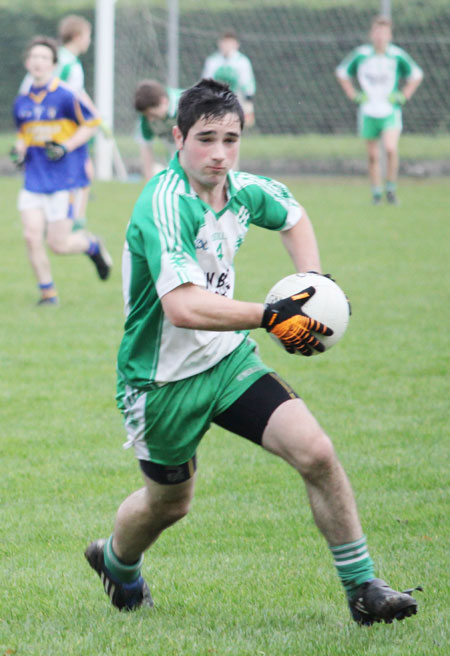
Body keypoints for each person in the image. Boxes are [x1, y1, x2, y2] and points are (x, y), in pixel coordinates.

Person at [84, 79, 420, 624]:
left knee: (316, 452)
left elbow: (293, 215)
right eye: (206, 138)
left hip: (228, 361)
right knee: (170, 504)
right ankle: (118, 563)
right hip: (160, 381)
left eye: (230, 139)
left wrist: (312, 283)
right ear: (178, 137)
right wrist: (275, 314)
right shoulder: (164, 203)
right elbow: (184, 307)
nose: (219, 154)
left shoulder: (240, 190)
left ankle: (364, 589)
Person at [12, 36, 112, 306]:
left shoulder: (68, 95)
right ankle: (48, 294)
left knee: (58, 244)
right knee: (31, 235)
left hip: (65, 179)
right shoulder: (22, 101)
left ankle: (92, 246)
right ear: (27, 63)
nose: (38, 62)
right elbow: (24, 133)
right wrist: (18, 151)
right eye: (34, 57)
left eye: (44, 58)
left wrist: (66, 147)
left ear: (53, 64)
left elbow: (92, 123)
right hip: (34, 179)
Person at [19, 15, 99, 228]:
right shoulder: (70, 63)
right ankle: (74, 219)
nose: (89, 41)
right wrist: (93, 117)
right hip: (61, 126)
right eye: (88, 36)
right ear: (78, 36)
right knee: (82, 168)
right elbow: (71, 96)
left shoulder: (52, 57)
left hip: (41, 122)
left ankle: (58, 217)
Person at [335, 15, 423, 205]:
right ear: (371, 33)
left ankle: (390, 189)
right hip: (368, 111)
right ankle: (376, 192)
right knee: (373, 155)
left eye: (384, 32)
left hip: (390, 111)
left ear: (389, 35)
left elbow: (416, 75)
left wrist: (403, 95)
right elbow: (342, 73)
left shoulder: (396, 55)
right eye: (377, 31)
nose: (380, 36)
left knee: (390, 149)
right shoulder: (362, 54)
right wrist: (354, 95)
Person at [202, 29, 256, 127]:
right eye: (224, 42)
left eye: (230, 43)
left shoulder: (242, 61)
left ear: (236, 44)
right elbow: (206, 81)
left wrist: (248, 100)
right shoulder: (212, 61)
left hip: (236, 98)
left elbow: (247, 82)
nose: (227, 46)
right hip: (216, 98)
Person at [133, 79, 183, 180]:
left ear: (163, 101)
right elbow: (146, 148)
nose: (150, 119)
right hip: (177, 157)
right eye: (147, 115)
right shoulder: (145, 118)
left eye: (152, 114)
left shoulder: (187, 105)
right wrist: (148, 184)